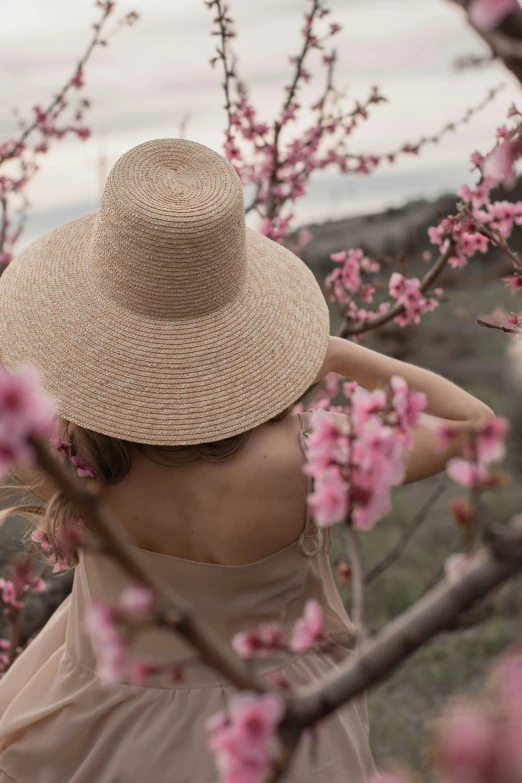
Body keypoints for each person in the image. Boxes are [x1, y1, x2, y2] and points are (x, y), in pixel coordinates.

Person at [0, 138, 494, 783]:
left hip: (99, 726)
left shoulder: (72, 457)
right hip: (274, 736)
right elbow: (474, 425)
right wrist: (342, 354)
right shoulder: (312, 452)